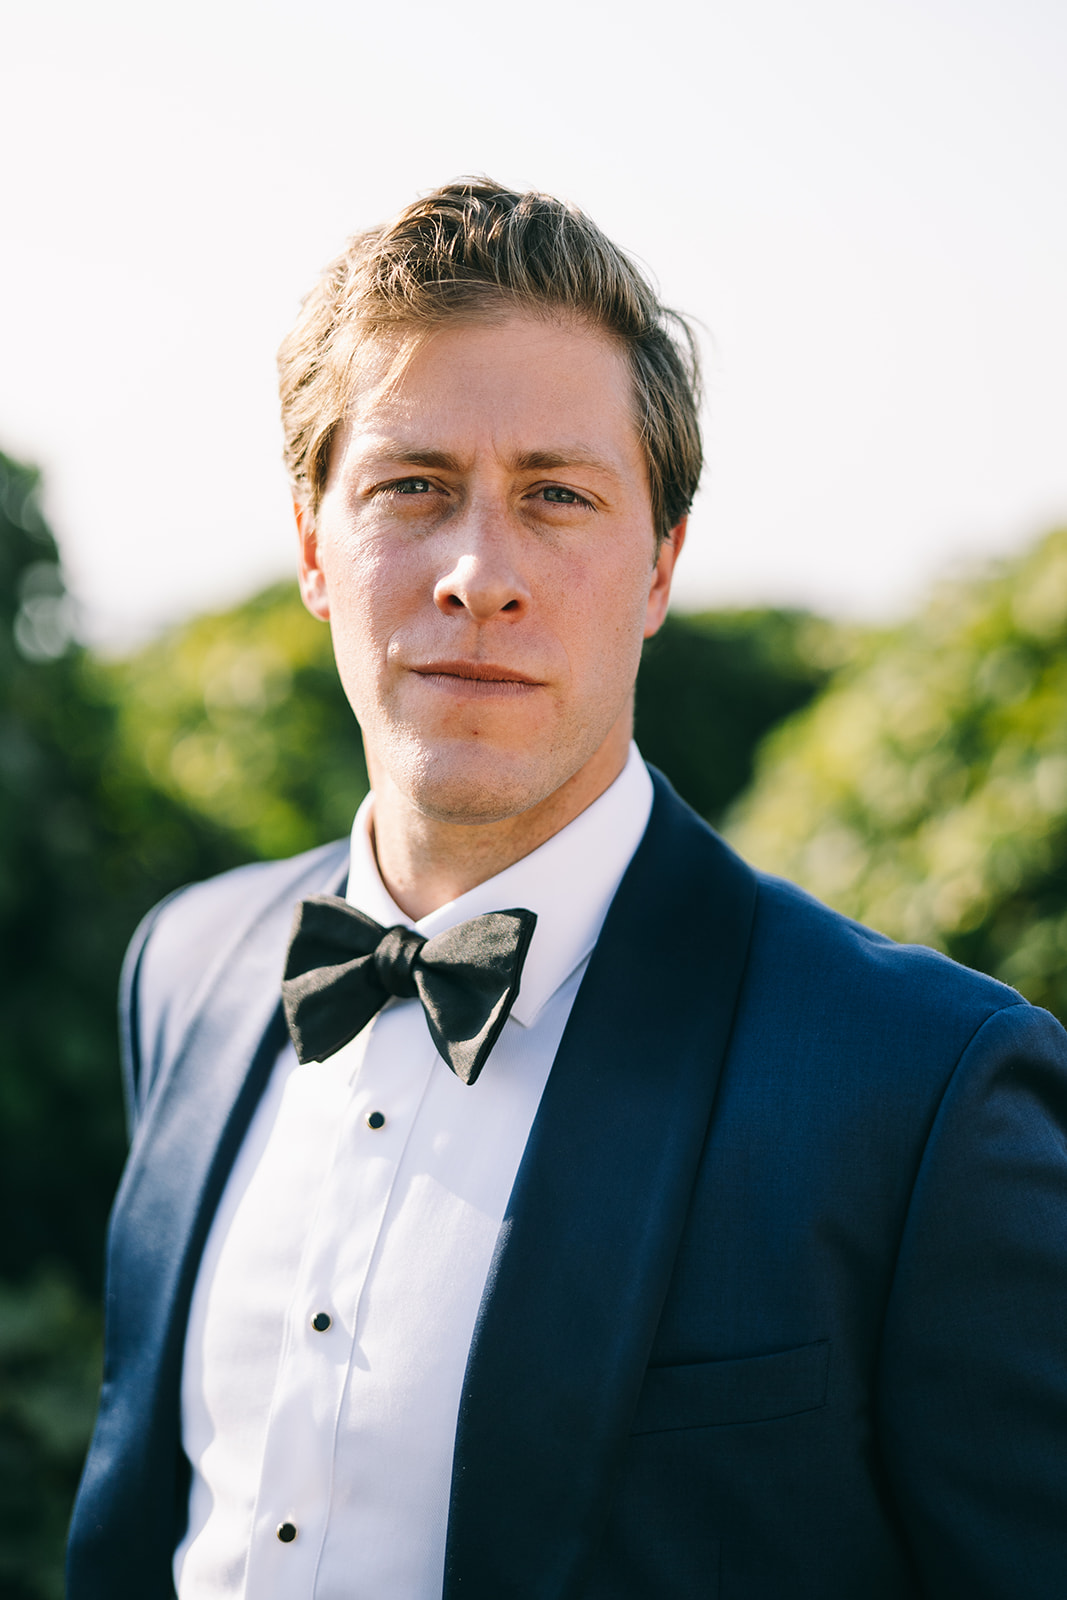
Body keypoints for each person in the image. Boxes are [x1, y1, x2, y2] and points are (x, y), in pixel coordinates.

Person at [68, 179, 1067, 1600]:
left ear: (660, 565)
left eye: (556, 495)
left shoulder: (926, 1089)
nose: (480, 574)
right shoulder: (188, 964)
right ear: (311, 545)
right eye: (412, 487)